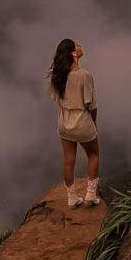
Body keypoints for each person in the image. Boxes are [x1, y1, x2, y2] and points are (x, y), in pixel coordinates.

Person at [47, 37, 100, 208]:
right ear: (73, 53)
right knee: (93, 155)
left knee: (68, 161)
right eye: (77, 45)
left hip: (64, 122)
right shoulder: (84, 76)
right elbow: (91, 104)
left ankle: (72, 197)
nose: (81, 46)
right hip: (82, 121)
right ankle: (91, 194)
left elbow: (56, 99)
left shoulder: (57, 76)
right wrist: (94, 122)